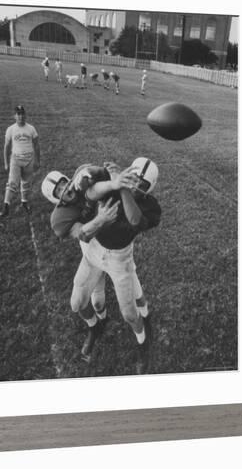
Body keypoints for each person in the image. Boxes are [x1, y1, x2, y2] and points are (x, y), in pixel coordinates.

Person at [42, 159, 161, 374]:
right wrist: (106, 185)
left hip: (119, 258)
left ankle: (143, 343)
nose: (135, 185)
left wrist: (119, 184)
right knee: (77, 302)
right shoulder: (63, 216)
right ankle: (95, 326)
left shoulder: (150, 207)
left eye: (141, 184)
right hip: (93, 252)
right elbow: (92, 192)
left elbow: (133, 218)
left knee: (129, 314)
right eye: (133, 179)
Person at [0, 105, 40, 217]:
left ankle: (24, 202)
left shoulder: (31, 128)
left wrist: (37, 161)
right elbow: (6, 147)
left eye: (22, 114)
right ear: (14, 116)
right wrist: (6, 162)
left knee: (26, 182)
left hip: (29, 160)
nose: (20, 116)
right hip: (15, 160)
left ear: (25, 115)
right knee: (12, 182)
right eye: (18, 114)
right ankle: (5, 207)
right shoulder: (11, 129)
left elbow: (36, 145)